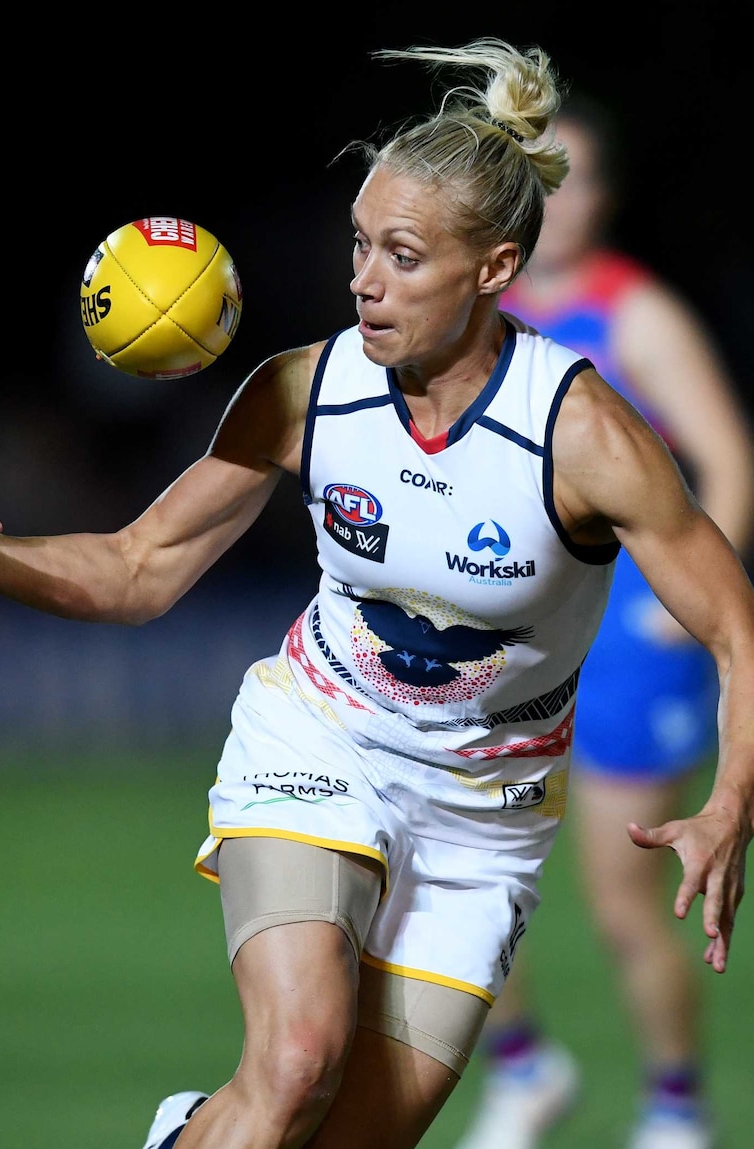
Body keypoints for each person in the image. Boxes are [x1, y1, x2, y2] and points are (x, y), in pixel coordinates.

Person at [0, 38, 754, 1149]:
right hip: (321, 740)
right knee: (296, 1059)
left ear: (494, 269)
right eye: (358, 244)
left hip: (482, 822)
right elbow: (140, 568)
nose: (362, 279)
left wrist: (731, 800)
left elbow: (735, 624)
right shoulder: (307, 391)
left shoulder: (579, 434)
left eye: (401, 255)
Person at [452, 93, 754, 1149]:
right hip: (517, 639)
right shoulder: (475, 320)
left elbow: (728, 461)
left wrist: (687, 610)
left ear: (604, 199)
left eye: (573, 181)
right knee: (457, 875)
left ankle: (675, 1108)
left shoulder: (637, 317)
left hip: (629, 647)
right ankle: (525, 1069)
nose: (556, 202)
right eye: (538, 179)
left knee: (626, 903)